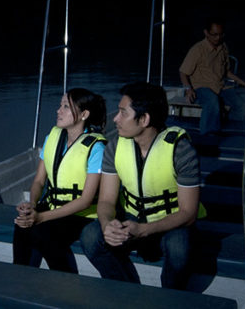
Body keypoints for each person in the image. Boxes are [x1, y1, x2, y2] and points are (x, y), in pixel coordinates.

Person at [80, 82, 203, 290]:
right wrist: (107, 224)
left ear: (144, 119)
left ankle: (170, 298)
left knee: (179, 249)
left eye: (122, 113)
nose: (115, 119)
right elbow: (106, 200)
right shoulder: (115, 147)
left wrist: (144, 230)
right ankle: (131, 292)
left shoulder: (181, 150)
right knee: (91, 237)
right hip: (131, 218)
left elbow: (188, 213)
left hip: (170, 223)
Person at [13, 87, 107, 273]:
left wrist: (41, 217)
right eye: (60, 105)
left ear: (84, 114)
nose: (58, 110)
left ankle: (67, 282)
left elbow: (86, 200)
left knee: (43, 232)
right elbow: (39, 181)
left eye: (66, 106)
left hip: (82, 215)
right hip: (53, 205)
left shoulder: (96, 148)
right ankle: (20, 277)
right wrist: (32, 204)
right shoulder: (53, 137)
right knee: (22, 225)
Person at [179, 19, 245, 135]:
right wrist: (188, 89)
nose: (218, 38)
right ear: (206, 33)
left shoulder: (223, 47)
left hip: (220, 87)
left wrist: (240, 81)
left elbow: (225, 71)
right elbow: (183, 72)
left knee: (241, 105)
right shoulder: (197, 49)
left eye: (220, 34)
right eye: (214, 35)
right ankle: (208, 135)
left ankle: (231, 132)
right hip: (200, 88)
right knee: (212, 102)